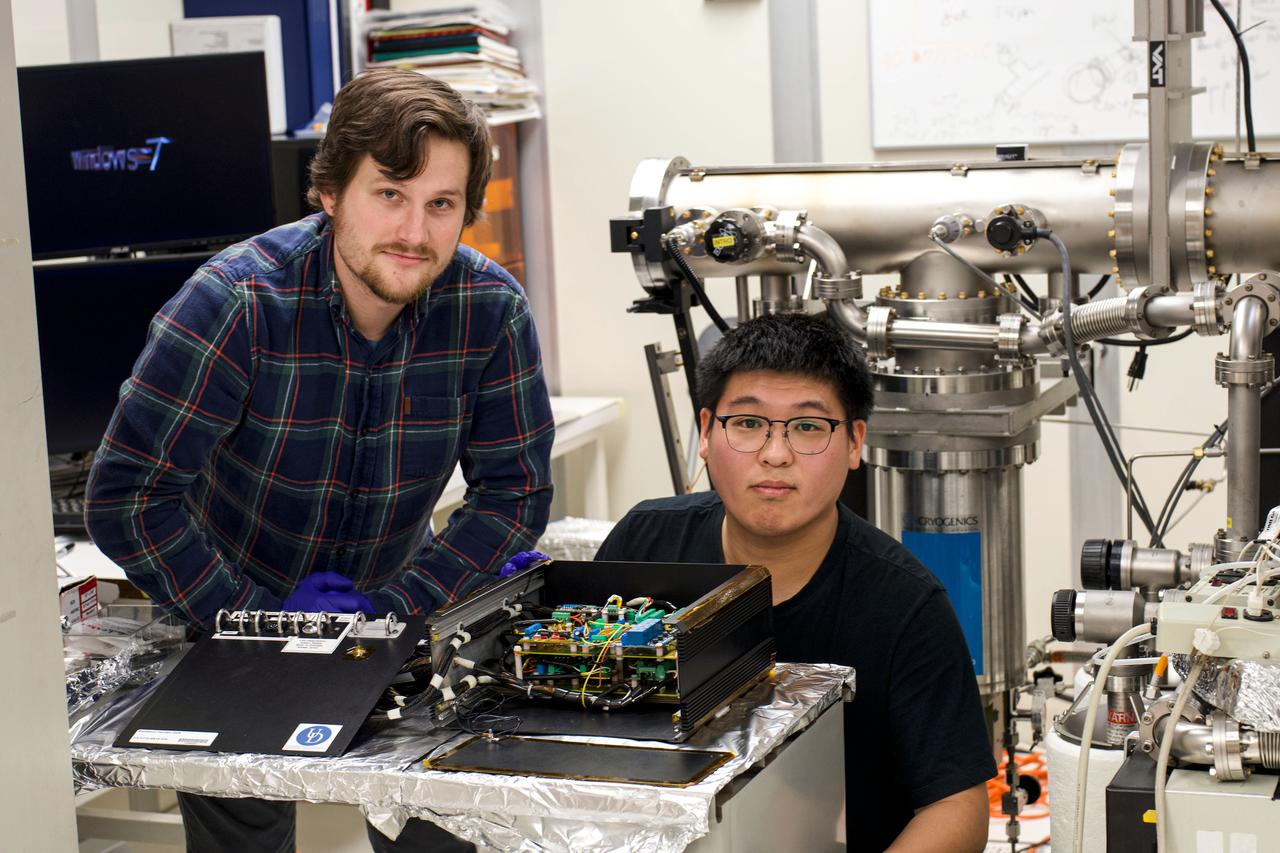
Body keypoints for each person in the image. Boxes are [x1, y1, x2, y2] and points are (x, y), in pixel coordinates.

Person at [84, 69, 554, 853]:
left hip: (403, 607)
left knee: (435, 828)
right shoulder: (235, 304)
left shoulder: (490, 309)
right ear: (331, 192)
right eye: (390, 194)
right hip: (231, 615)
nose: (414, 229)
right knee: (245, 830)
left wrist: (394, 610)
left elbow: (514, 495)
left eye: (442, 204)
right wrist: (260, 620)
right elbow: (129, 496)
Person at [594, 312, 995, 853]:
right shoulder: (643, 550)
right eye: (748, 423)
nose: (775, 454)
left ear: (854, 443)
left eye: (808, 427)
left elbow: (956, 807)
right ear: (708, 433)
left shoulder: (904, 605)